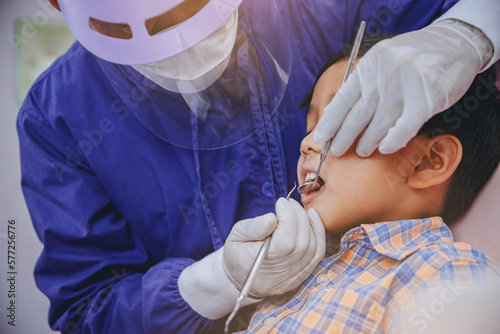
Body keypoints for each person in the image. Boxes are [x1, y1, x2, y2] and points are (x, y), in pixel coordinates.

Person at [17, 0, 499, 333]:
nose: (309, 144)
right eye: (306, 122)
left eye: (339, 115)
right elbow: (87, 310)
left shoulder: (438, 278)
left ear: (432, 159)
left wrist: (469, 32)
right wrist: (214, 284)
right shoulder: (58, 117)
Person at [237, 35, 500, 333]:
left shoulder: (445, 273)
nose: (307, 144)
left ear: (428, 161)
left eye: (340, 123)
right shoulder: (289, 281)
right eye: (311, 128)